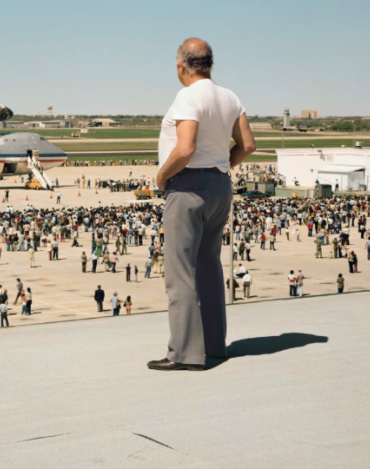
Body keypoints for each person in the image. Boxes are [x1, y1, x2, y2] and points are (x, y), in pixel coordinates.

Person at [149, 38, 255, 372]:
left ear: (182, 65)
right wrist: (221, 167)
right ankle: (214, 346)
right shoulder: (230, 96)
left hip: (188, 186)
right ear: (210, 64)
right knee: (209, 267)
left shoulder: (188, 96)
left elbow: (185, 149)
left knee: (180, 272)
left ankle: (183, 353)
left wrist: (161, 177)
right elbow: (248, 145)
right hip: (220, 185)